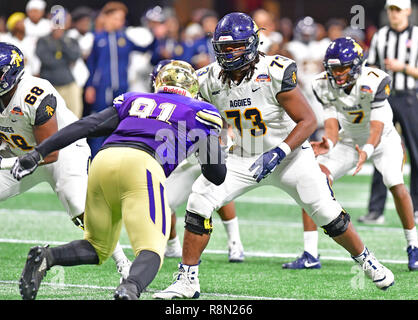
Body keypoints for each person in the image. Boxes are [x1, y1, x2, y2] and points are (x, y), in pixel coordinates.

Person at [153, 13, 395, 300]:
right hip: (243, 156)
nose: (229, 54)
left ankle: (366, 260)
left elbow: (306, 120)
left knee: (328, 215)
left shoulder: (275, 70)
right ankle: (187, 280)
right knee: (199, 200)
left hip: (290, 156)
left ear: (253, 44)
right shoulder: (208, 78)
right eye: (224, 48)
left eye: (236, 47)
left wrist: (279, 152)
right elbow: (192, 116)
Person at [13, 60, 227, 300]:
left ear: (158, 82)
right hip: (144, 165)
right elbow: (217, 175)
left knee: (97, 246)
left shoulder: (133, 99)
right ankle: (129, 289)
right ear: (193, 88)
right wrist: (204, 150)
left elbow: (87, 125)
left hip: (103, 160)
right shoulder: (200, 111)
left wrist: (38, 152)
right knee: (152, 249)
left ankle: (47, 257)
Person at [282, 37, 418, 272]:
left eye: (343, 68)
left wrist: (366, 151)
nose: (338, 73)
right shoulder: (322, 84)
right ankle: (310, 253)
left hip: (383, 140)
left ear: (356, 65)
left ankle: (413, 246)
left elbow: (376, 127)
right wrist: (329, 143)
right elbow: (332, 123)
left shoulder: (375, 80)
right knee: (312, 178)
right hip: (349, 140)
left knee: (395, 183)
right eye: (333, 68)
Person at [0, 42, 131, 281]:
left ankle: (124, 263)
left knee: (79, 206)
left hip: (62, 152)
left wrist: (8, 163)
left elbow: (49, 153)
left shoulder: (35, 93)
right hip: (20, 154)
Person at [150, 59, 245, 262]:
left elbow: (225, 122)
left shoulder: (203, 98)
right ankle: (173, 245)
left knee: (217, 189)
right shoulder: (152, 103)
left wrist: (223, 140)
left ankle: (235, 243)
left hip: (203, 153)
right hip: (180, 161)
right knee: (161, 202)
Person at [358, 0, 418, 224]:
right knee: (380, 150)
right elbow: (371, 68)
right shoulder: (380, 35)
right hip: (385, 98)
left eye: (398, 10)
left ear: (408, 11)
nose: (394, 14)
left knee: (416, 154)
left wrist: (402, 67)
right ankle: (376, 210)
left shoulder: (417, 35)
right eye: (391, 10)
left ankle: (416, 208)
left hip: (411, 97)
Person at [84, 1, 155, 157]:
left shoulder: (124, 38)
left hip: (122, 87)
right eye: (117, 18)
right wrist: (90, 86)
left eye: (121, 18)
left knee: (119, 123)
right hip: (101, 88)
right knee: (99, 124)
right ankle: (95, 158)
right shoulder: (98, 38)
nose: (120, 22)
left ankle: (114, 156)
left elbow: (145, 49)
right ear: (107, 18)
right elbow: (91, 65)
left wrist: (155, 34)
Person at [36, 11, 84, 119]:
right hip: (50, 86)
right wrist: (64, 60)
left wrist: (61, 39)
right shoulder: (43, 40)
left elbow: (74, 56)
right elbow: (47, 61)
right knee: (50, 118)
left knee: (74, 117)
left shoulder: (70, 40)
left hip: (69, 84)